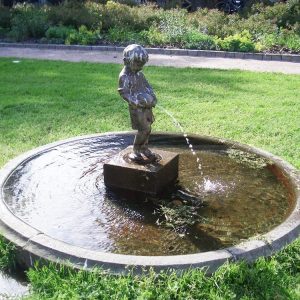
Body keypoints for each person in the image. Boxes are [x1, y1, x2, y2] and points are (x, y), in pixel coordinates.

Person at [118, 44, 157, 163]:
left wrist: (153, 97)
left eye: (142, 65)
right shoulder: (124, 76)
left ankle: (144, 148)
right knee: (143, 129)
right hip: (137, 109)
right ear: (126, 61)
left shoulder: (140, 75)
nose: (140, 67)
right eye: (137, 64)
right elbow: (123, 92)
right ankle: (136, 149)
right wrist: (134, 101)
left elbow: (148, 87)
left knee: (148, 128)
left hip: (147, 107)